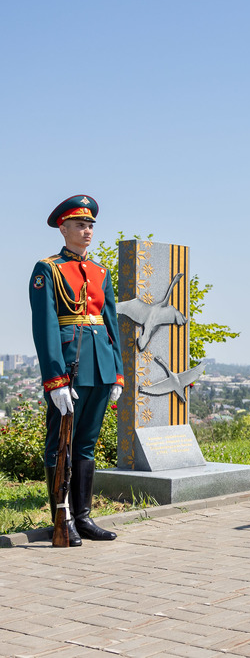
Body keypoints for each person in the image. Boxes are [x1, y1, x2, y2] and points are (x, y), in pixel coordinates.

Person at [30, 195, 124, 544]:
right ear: (63, 228)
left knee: (86, 444)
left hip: (99, 365)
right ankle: (62, 516)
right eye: (80, 225)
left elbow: (110, 321)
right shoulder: (48, 268)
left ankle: (83, 517)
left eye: (90, 226)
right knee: (60, 444)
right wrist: (55, 379)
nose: (87, 231)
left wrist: (117, 371)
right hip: (69, 366)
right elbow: (46, 325)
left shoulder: (100, 271)